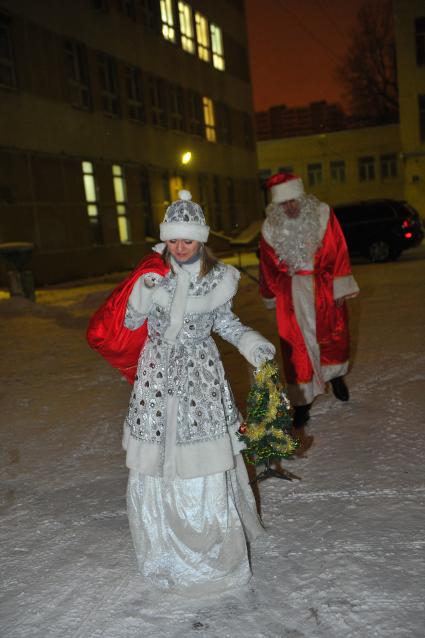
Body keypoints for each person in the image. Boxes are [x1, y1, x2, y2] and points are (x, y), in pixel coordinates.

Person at [121, 190, 276, 594]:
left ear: (201, 240)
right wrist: (141, 289)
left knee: (201, 456)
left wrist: (250, 343)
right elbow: (131, 322)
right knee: (156, 455)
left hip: (199, 378)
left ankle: (210, 553)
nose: (179, 247)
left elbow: (227, 324)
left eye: (186, 239)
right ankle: (162, 550)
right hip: (156, 378)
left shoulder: (219, 280)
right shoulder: (153, 275)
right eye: (173, 239)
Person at [259, 172, 359, 428]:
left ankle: (335, 377)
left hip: (323, 287)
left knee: (332, 338)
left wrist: (340, 287)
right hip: (290, 294)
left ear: (302, 198)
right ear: (276, 206)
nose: (290, 207)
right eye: (284, 203)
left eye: (294, 200)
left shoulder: (323, 216)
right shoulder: (270, 229)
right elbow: (268, 267)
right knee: (296, 351)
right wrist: (271, 295)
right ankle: (302, 403)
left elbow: (338, 249)